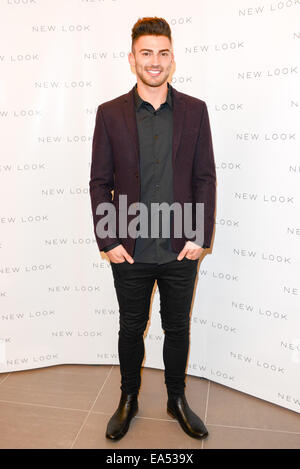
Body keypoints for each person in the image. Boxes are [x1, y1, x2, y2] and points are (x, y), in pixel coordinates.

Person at [89, 16, 216, 441]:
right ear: (132, 59)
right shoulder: (109, 114)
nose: (155, 61)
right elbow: (99, 182)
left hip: (181, 246)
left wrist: (200, 236)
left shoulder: (196, 111)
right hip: (131, 249)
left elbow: (205, 178)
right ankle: (129, 398)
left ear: (173, 59)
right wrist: (108, 239)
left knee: (178, 327)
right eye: (146, 53)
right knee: (131, 327)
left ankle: (176, 398)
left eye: (163, 53)